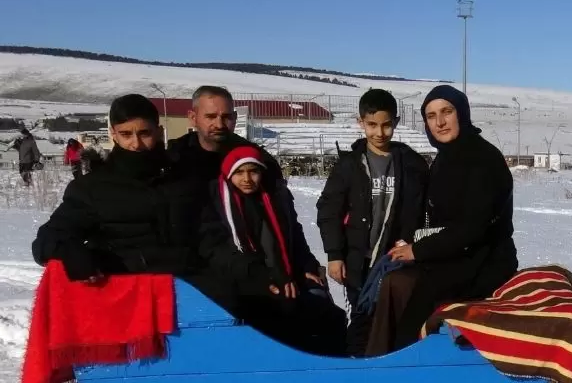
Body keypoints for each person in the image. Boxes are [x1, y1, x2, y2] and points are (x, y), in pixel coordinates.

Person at [30, 95, 262, 307]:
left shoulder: (185, 179)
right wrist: (70, 252)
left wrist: (251, 270)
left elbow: (212, 239)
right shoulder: (92, 188)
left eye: (144, 133)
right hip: (127, 299)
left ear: (159, 131)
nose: (136, 144)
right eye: (126, 134)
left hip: (192, 291)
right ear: (113, 133)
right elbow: (48, 239)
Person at [364, 85, 517, 355]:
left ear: (463, 113)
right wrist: (411, 241)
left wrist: (417, 250)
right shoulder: (448, 156)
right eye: (431, 116)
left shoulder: (482, 159)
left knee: (417, 302)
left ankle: (408, 363)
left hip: (483, 261)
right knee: (393, 282)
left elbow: (472, 228)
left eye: (447, 112)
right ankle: (378, 358)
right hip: (455, 256)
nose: (440, 122)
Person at [316, 88, 428, 355]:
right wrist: (334, 254)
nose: (380, 133)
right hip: (358, 261)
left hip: (395, 260)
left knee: (392, 320)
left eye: (386, 125)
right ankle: (357, 368)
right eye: (372, 125)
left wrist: (415, 243)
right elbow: (328, 210)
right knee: (362, 318)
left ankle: (385, 368)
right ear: (360, 122)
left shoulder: (412, 164)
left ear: (396, 123)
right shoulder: (350, 165)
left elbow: (423, 210)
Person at [209, 146, 346, 355]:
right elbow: (224, 252)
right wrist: (269, 278)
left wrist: (306, 266)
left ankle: (331, 366)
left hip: (285, 273)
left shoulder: (274, 197)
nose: (247, 178)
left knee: (329, 313)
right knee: (287, 314)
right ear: (228, 175)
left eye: (253, 171)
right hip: (248, 280)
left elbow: (295, 235)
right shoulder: (219, 204)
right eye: (239, 172)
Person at [168, 85, 285, 193]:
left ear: (235, 118)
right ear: (193, 118)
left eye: (226, 117)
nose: (219, 124)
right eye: (211, 117)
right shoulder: (173, 160)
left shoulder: (259, 161)